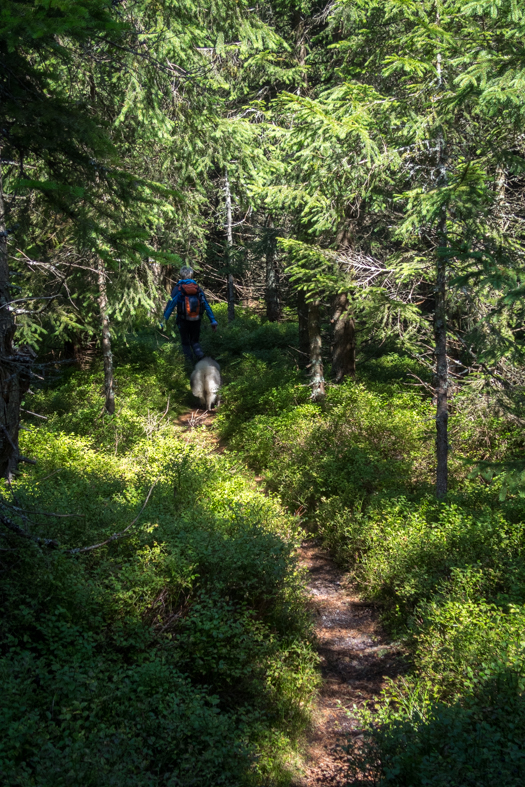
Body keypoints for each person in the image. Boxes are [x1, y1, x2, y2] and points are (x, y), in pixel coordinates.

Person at [162, 266, 218, 362]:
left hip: (183, 320)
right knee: (195, 341)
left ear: (181, 275)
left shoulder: (178, 288)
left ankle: (189, 364)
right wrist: (213, 321)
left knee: (185, 343)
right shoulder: (197, 289)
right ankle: (201, 358)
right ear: (191, 275)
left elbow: (170, 305)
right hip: (196, 319)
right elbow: (206, 306)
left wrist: (163, 321)